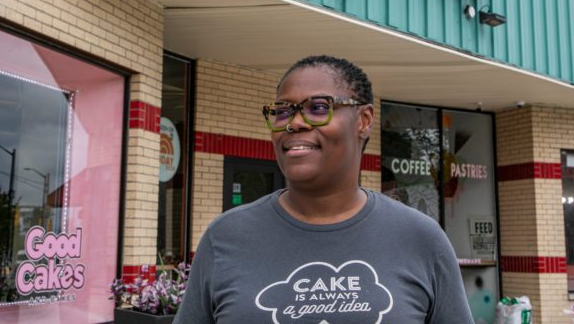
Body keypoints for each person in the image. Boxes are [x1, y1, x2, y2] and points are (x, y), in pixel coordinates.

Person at [173, 55, 473, 323]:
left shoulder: (420, 238)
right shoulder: (225, 236)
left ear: (364, 120)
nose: (294, 123)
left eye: (318, 108)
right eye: (282, 111)